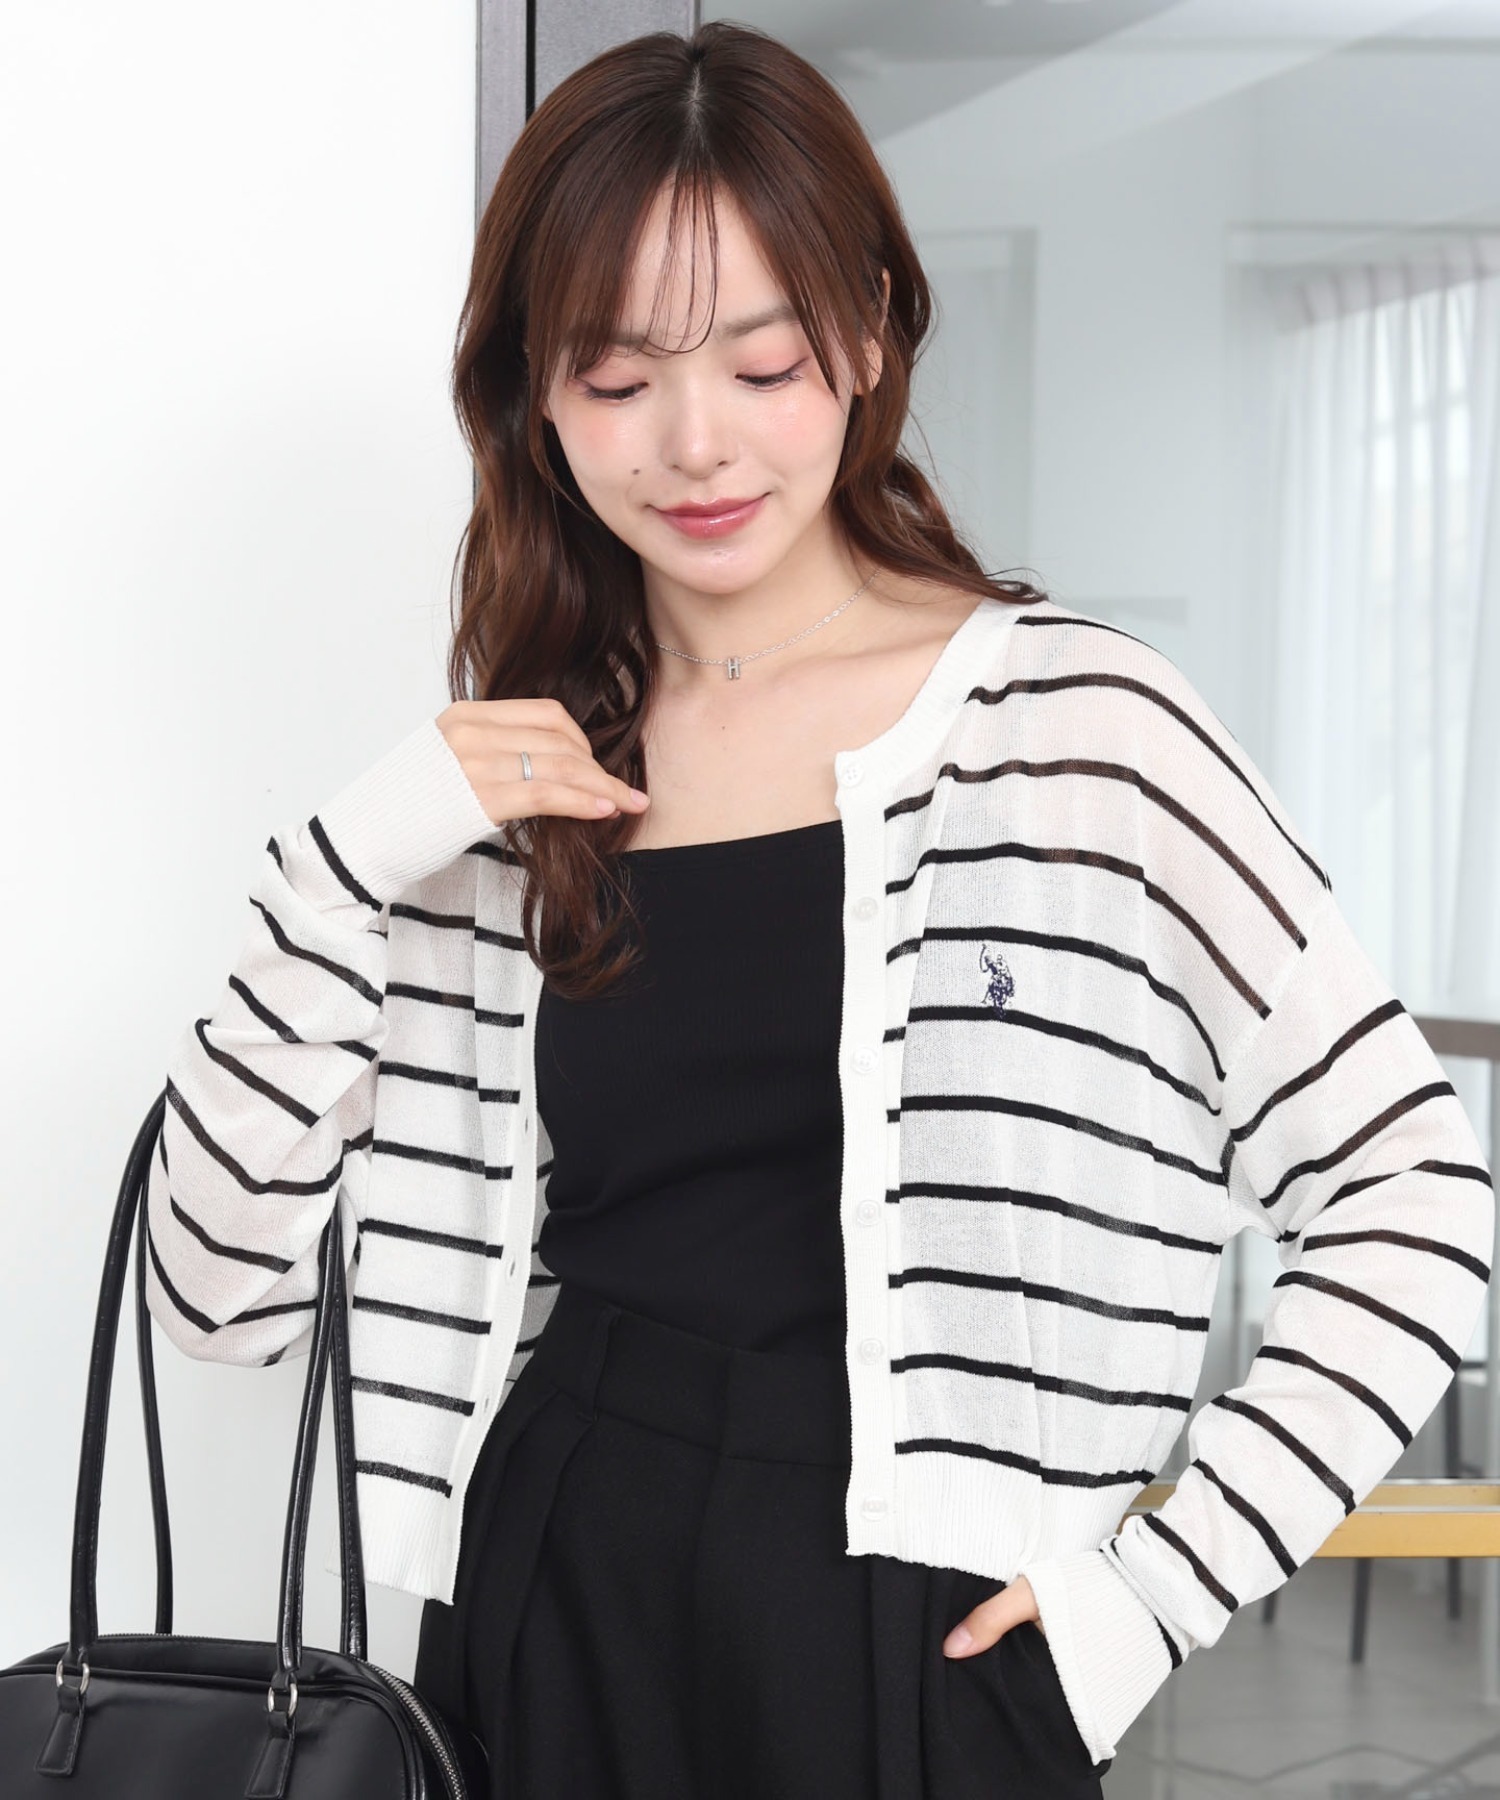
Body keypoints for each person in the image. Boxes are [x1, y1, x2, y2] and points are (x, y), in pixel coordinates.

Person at [143, 21, 1495, 1800]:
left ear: (862, 337)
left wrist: (1148, 1599)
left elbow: (1415, 1201)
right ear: (534, 397)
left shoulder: (1080, 733)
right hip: (553, 1593)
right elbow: (216, 1289)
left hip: (920, 1639)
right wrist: (343, 864)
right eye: (616, 378)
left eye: (763, 363)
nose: (694, 443)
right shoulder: (509, 794)